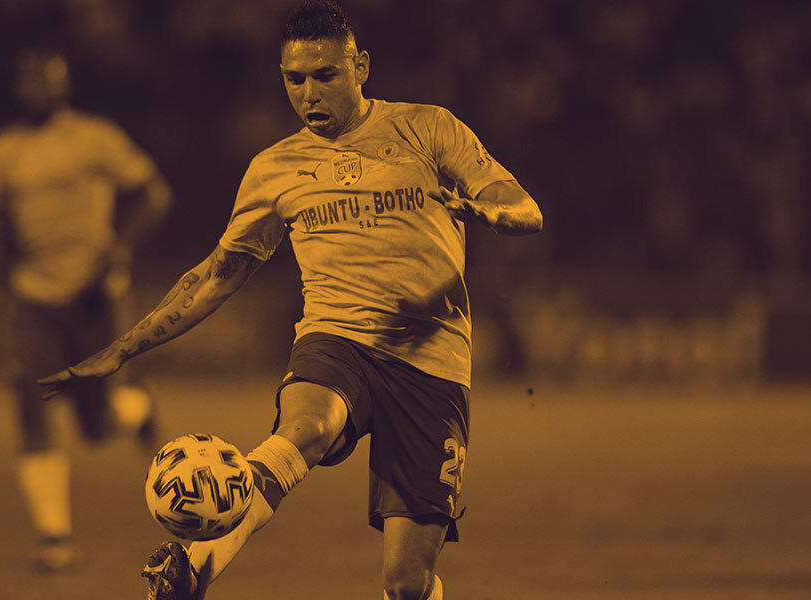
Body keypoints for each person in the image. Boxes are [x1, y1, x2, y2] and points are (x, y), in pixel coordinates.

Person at [39, 1, 542, 597]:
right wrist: (124, 348)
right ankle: (193, 571)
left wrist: (492, 213)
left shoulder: (427, 128)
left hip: (432, 360)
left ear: (360, 67)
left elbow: (524, 207)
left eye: (325, 75)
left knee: (407, 582)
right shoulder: (274, 169)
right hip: (337, 339)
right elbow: (216, 275)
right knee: (309, 425)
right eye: (295, 79)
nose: (309, 93)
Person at [0, 47, 173, 572]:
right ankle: (54, 538)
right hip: (33, 296)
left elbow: (154, 194)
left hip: (93, 294)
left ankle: (136, 408)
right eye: (29, 81)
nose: (37, 90)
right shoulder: (5, 148)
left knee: (97, 426)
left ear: (63, 87)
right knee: (30, 403)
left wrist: (121, 246)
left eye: (47, 81)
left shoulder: (94, 138)